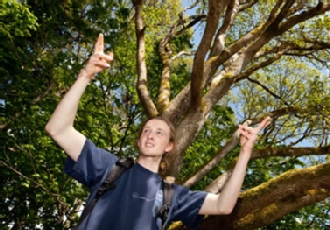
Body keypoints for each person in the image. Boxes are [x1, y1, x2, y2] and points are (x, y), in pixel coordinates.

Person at [45, 34, 271, 230]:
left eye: (159, 133)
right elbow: (57, 129)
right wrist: (85, 76)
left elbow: (224, 205)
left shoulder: (173, 196)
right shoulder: (108, 168)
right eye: (146, 131)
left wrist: (245, 153)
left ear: (170, 146)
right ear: (139, 140)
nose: (151, 135)